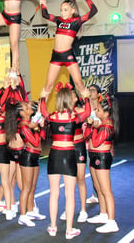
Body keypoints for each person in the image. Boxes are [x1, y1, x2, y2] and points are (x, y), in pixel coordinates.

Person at [40, 82, 90, 239]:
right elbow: (88, 111)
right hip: (69, 154)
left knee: (53, 193)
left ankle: (53, 227)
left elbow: (43, 111)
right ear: (69, 99)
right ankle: (69, 230)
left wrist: (42, 97)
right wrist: (86, 97)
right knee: (69, 194)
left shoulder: (53, 116)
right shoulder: (74, 117)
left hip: (54, 154)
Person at [38, 0, 97, 99]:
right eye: (61, 10)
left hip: (68, 55)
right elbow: (45, 14)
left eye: (65, 10)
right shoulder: (58, 20)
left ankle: (92, 111)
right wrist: (43, 3)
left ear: (72, 10)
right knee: (48, 86)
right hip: (56, 56)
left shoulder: (77, 21)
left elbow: (94, 11)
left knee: (79, 85)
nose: (62, 12)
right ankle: (38, 113)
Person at [85, 94, 119, 233]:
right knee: (98, 188)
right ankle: (103, 214)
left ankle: (112, 221)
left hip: (102, 157)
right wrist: (91, 125)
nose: (96, 112)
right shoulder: (101, 123)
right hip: (94, 155)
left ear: (106, 113)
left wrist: (94, 126)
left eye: (98, 110)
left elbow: (98, 141)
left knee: (106, 190)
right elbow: (87, 136)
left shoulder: (107, 125)